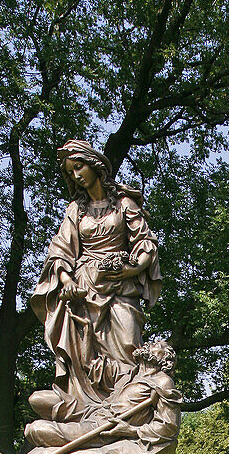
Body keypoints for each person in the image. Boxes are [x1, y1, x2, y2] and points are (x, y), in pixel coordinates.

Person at [28, 139, 162, 426]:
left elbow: (146, 242)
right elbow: (60, 249)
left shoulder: (124, 204)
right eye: (71, 171)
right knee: (86, 355)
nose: (76, 175)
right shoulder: (75, 211)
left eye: (79, 166)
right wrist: (65, 279)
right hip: (83, 290)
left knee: (129, 345)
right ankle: (90, 410)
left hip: (120, 286)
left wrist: (131, 269)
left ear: (94, 165)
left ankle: (127, 410)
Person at [25, 341, 181, 454]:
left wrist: (130, 431)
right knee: (38, 399)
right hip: (91, 410)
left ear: (165, 360)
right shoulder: (130, 373)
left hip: (102, 427)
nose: (151, 343)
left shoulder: (162, 382)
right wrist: (86, 332)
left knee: (35, 430)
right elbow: (92, 365)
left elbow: (169, 427)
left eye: (159, 345)